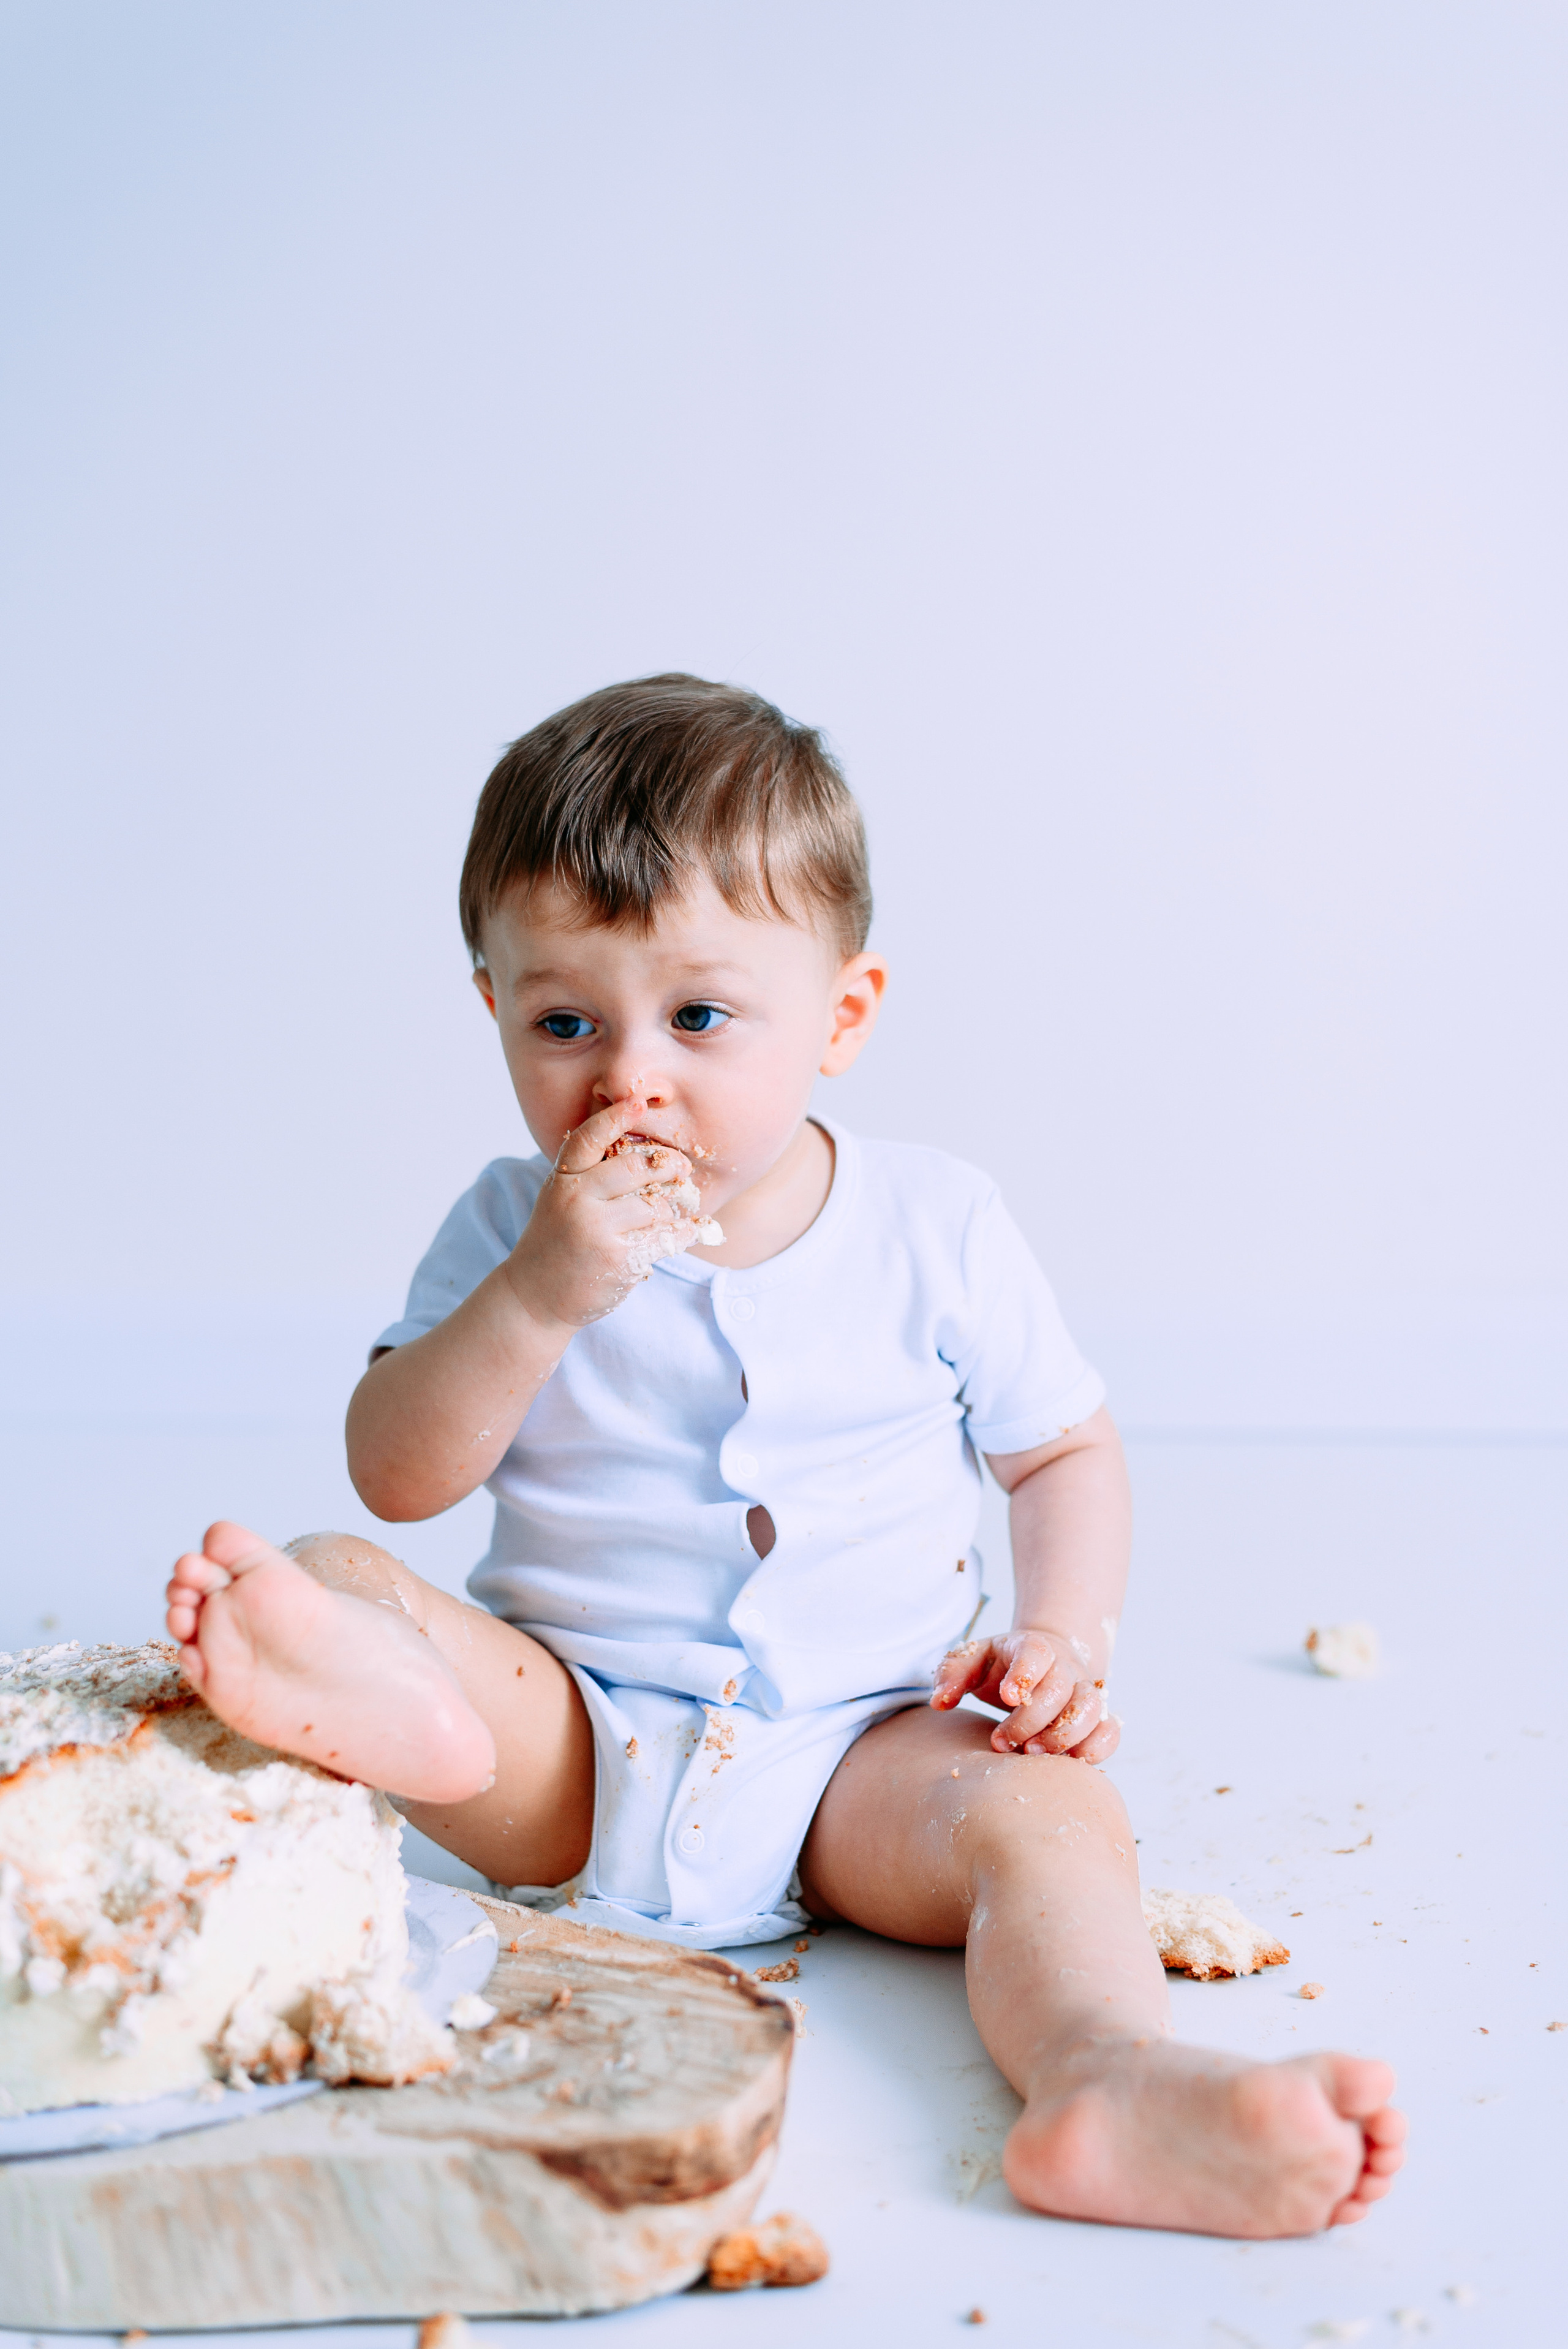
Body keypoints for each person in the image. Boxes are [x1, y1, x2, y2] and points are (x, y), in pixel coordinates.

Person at [166, 674, 1405, 2236]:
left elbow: (1063, 1456)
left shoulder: (932, 1225)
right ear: (488, 1008)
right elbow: (396, 1475)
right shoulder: (504, 1229)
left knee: (1049, 1820)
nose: (628, 1079)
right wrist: (541, 1295)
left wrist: (1058, 1638)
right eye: (565, 1022)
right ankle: (393, 1758)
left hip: (862, 1762)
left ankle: (1102, 2081)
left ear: (841, 1012)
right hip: (565, 1750)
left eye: (697, 1016)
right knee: (339, 1580)